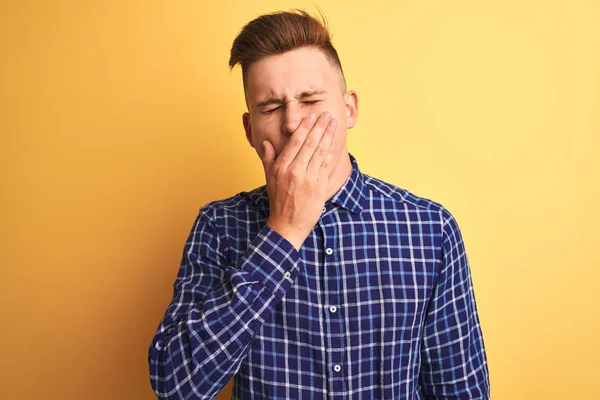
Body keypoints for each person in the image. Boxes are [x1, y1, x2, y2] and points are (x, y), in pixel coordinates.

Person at [148, 9, 490, 400]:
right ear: (250, 129)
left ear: (349, 110)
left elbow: (461, 393)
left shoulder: (430, 230)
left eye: (310, 100)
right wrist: (284, 231)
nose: (292, 122)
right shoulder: (218, 226)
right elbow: (175, 386)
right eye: (271, 108)